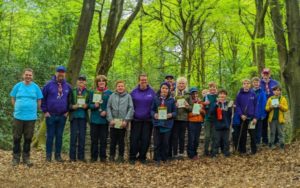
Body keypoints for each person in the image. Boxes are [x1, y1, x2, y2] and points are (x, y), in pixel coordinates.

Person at [10, 68, 43, 166]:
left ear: (32, 77)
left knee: (28, 138)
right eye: (26, 75)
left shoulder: (36, 87)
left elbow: (39, 100)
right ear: (23, 75)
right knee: (16, 137)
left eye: (30, 75)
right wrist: (16, 107)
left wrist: (35, 109)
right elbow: (13, 97)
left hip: (31, 118)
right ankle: (15, 158)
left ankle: (26, 158)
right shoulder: (18, 86)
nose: (28, 76)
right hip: (18, 116)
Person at [41, 65, 72, 162]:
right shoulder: (48, 85)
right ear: (56, 73)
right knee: (50, 135)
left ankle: (58, 156)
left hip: (62, 115)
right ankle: (48, 155)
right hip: (50, 115)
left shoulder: (68, 86)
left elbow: (70, 100)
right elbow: (42, 99)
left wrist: (67, 111)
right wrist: (45, 111)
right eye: (59, 72)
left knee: (59, 136)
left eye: (62, 72)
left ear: (65, 74)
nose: (61, 74)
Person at [129, 74, 156, 164]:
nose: (143, 81)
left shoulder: (152, 92)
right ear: (139, 81)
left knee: (145, 139)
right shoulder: (133, 92)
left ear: (147, 81)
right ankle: (132, 157)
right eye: (142, 80)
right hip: (136, 120)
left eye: (145, 80)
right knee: (134, 139)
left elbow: (156, 105)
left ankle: (142, 157)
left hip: (148, 121)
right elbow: (129, 105)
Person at [107, 80, 134, 163]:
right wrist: (110, 119)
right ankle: (111, 156)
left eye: (122, 86)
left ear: (124, 87)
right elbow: (108, 107)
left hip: (122, 122)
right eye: (119, 86)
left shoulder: (128, 96)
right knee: (113, 140)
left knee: (121, 141)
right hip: (114, 122)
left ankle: (121, 156)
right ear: (116, 87)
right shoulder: (112, 96)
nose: (120, 87)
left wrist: (126, 120)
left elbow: (131, 108)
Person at [151, 82, 176, 165]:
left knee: (165, 143)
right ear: (160, 89)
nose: (164, 90)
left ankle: (164, 158)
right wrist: (154, 114)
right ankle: (157, 159)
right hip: (157, 123)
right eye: (163, 88)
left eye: (166, 88)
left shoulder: (172, 100)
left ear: (169, 90)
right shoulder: (156, 99)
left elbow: (175, 112)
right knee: (157, 142)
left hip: (167, 124)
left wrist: (171, 115)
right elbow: (151, 110)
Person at [89, 75, 113, 162]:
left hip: (104, 120)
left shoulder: (110, 93)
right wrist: (94, 105)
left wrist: (106, 111)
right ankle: (93, 157)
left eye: (103, 81)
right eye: (99, 81)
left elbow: (111, 106)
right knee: (94, 139)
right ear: (97, 83)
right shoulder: (92, 92)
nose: (101, 82)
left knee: (103, 139)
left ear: (105, 83)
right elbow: (88, 105)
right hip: (94, 119)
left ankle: (103, 157)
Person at [68, 75, 90, 162]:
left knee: (82, 137)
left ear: (85, 82)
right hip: (74, 117)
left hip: (83, 117)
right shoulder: (72, 91)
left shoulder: (88, 92)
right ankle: (72, 157)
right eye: (79, 80)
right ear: (77, 82)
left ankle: (81, 157)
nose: (81, 81)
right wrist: (73, 106)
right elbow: (68, 104)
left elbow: (90, 104)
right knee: (73, 137)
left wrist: (87, 105)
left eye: (83, 80)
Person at [235, 79, 258, 155]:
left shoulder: (253, 94)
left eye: (248, 83)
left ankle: (254, 151)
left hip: (251, 118)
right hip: (243, 118)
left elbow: (256, 106)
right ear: (242, 85)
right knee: (243, 135)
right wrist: (241, 115)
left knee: (253, 135)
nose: (246, 85)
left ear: (250, 85)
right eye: (245, 83)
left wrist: (255, 117)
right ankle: (242, 150)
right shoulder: (239, 94)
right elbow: (237, 106)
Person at [171, 76, 190, 159]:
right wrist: (174, 105)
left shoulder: (188, 95)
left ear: (185, 85)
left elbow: (192, 109)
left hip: (184, 119)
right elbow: (169, 106)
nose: (181, 85)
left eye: (183, 83)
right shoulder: (172, 94)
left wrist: (187, 106)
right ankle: (175, 153)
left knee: (182, 136)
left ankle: (181, 153)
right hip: (175, 119)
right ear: (177, 84)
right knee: (174, 136)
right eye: (179, 83)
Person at [265, 85, 288, 149]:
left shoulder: (283, 99)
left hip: (280, 119)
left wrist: (280, 106)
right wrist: (270, 107)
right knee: (272, 133)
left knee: (281, 133)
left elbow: (286, 108)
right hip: (272, 119)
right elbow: (266, 108)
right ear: (273, 91)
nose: (276, 92)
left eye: (278, 90)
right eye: (275, 90)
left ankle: (282, 145)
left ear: (280, 91)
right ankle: (271, 145)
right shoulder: (270, 99)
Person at [260, 68, 279, 145]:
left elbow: (279, 92)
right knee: (263, 124)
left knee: (274, 123)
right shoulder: (259, 82)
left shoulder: (275, 82)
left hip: (273, 105)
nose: (265, 75)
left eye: (267, 74)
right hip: (263, 107)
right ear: (262, 74)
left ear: (269, 74)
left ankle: (275, 140)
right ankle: (265, 141)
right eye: (264, 74)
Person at [210, 89, 232, 157]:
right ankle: (214, 153)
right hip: (217, 125)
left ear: (226, 96)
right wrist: (216, 104)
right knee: (216, 140)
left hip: (226, 125)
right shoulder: (215, 103)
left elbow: (231, 114)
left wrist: (232, 107)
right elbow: (211, 112)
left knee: (226, 140)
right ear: (218, 95)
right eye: (221, 94)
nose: (222, 95)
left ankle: (226, 153)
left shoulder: (228, 104)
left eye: (224, 94)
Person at [187, 87, 205, 160]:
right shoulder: (188, 103)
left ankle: (195, 153)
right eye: (193, 93)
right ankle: (191, 154)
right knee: (191, 139)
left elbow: (204, 113)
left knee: (196, 139)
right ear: (191, 94)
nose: (195, 95)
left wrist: (201, 111)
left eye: (196, 93)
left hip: (199, 122)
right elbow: (187, 114)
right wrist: (194, 113)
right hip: (191, 122)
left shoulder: (200, 102)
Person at [203, 81, 218, 156]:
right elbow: (202, 106)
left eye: (214, 87)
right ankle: (206, 151)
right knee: (207, 136)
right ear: (209, 88)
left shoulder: (218, 96)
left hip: (216, 119)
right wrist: (204, 104)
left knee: (214, 136)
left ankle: (213, 151)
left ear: (216, 88)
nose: (212, 88)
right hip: (207, 118)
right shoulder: (206, 96)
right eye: (211, 87)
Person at [251, 77, 267, 146]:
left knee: (259, 129)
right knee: (252, 129)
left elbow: (264, 103)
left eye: (257, 82)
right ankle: (253, 142)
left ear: (259, 83)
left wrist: (263, 114)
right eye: (254, 82)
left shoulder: (262, 92)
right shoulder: (250, 92)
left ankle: (258, 143)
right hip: (252, 115)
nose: (256, 84)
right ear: (252, 84)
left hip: (260, 114)